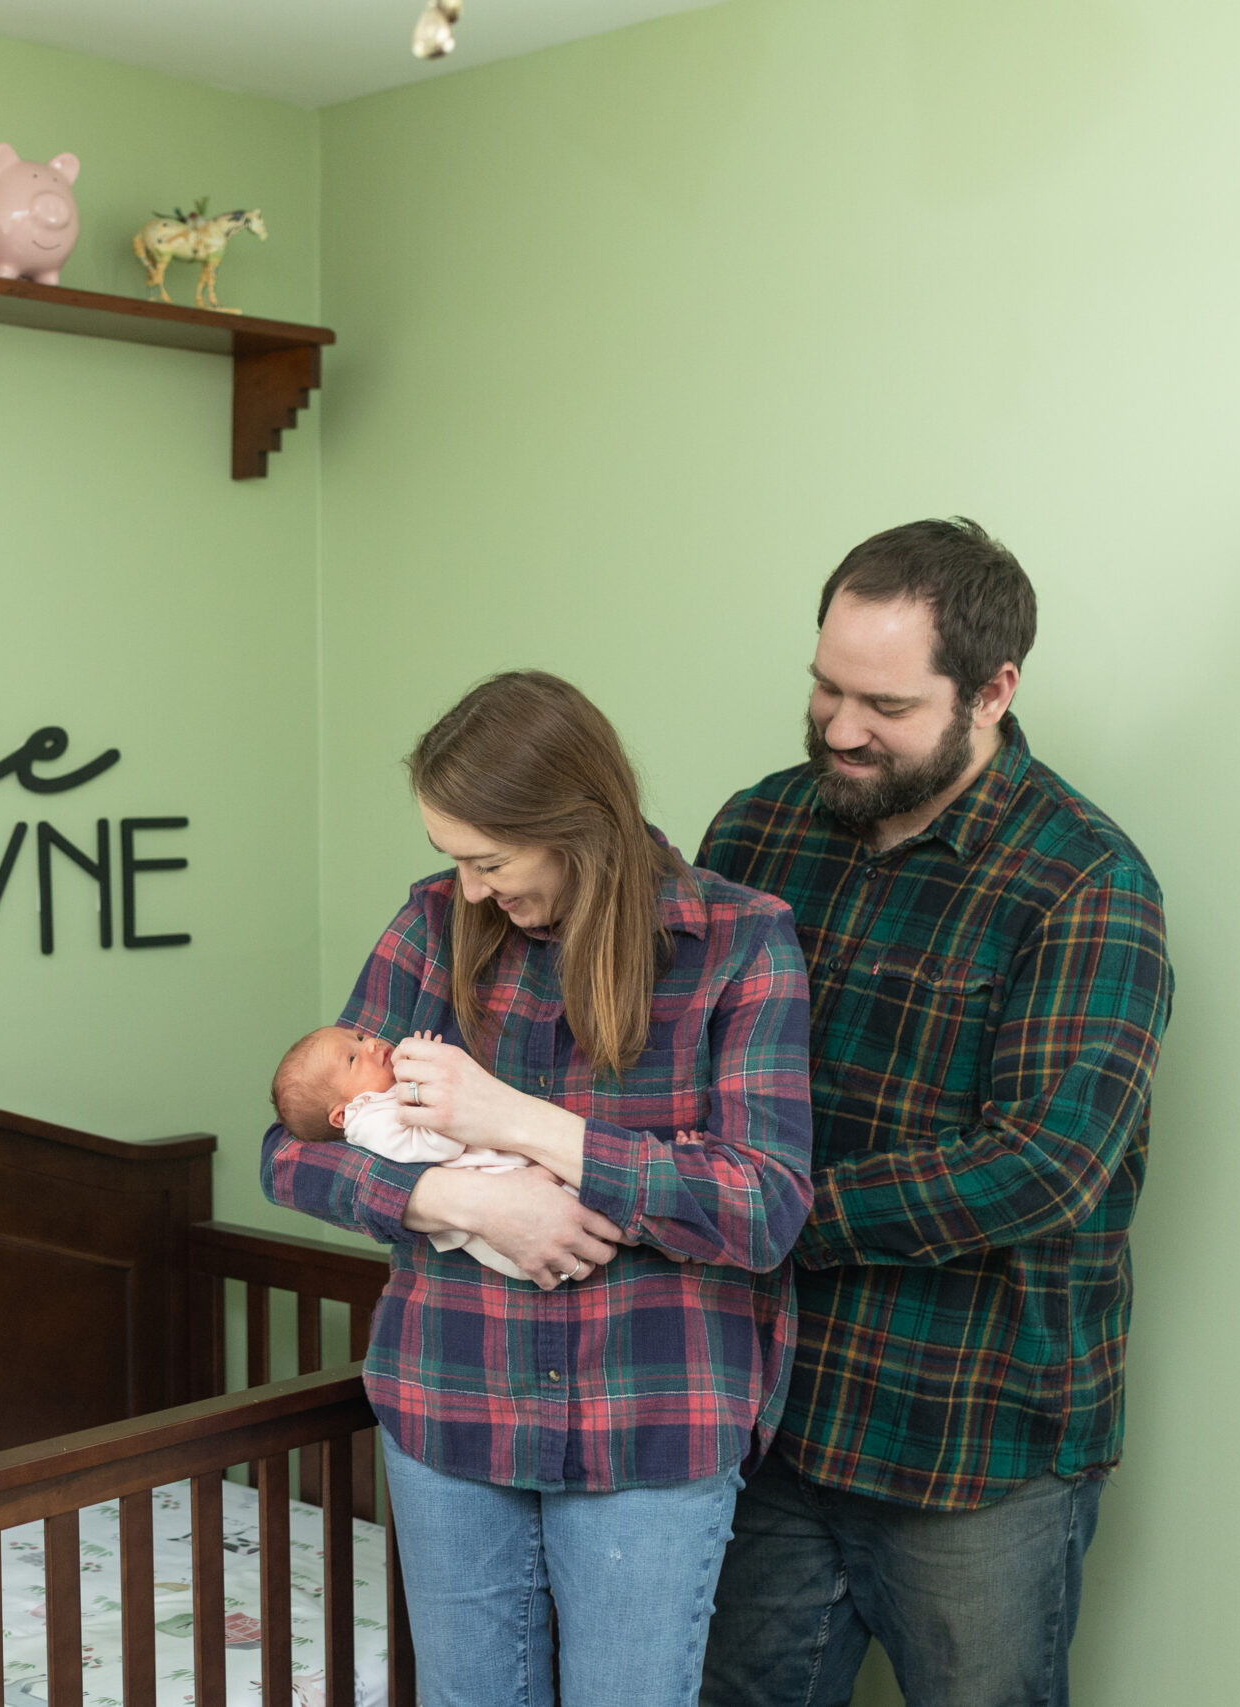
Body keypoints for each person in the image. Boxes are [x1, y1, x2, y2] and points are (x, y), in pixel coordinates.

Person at [261, 670, 816, 1707]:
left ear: (576, 826)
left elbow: (762, 1205)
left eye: (490, 859)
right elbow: (292, 1149)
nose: (471, 888)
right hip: (449, 1400)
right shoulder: (434, 926)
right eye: (453, 860)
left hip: (650, 1416)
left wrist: (514, 1123)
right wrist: (458, 1202)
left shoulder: (738, 944)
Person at [696, 519, 1173, 1707]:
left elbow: (1037, 1169)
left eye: (886, 705)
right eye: (823, 687)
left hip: (974, 1445)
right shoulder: (755, 831)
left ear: (993, 690)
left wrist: (752, 1212)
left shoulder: (1085, 884)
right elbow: (674, 1067)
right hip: (766, 1420)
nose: (841, 728)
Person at [270, 1023, 550, 1282]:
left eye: (358, 1038)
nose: (370, 1044)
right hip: (492, 1215)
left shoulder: (383, 1096)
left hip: (504, 1174)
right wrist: (429, 1087)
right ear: (342, 1116)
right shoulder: (370, 1121)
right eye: (352, 1059)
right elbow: (442, 1145)